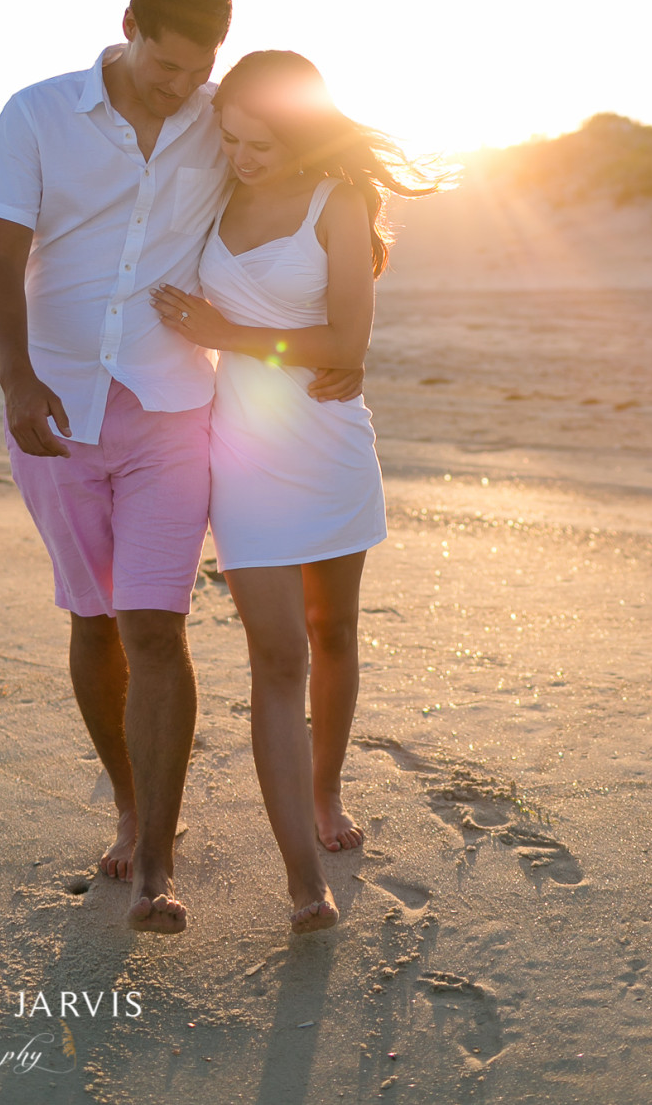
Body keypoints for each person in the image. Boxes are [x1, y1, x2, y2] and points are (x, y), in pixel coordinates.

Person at [0, 0, 361, 934]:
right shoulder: (35, 115)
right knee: (92, 622)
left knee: (156, 627)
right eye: (167, 65)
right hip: (55, 409)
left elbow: (296, 140)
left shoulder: (220, 114)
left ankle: (155, 866)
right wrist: (15, 377)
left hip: (174, 409)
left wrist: (356, 204)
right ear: (129, 24)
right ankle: (129, 797)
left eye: (200, 71)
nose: (181, 88)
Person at [152, 51, 433, 933]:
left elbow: (348, 344)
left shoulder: (336, 204)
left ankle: (326, 788)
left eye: (260, 142)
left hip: (329, 446)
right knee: (276, 660)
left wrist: (229, 331)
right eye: (229, 137)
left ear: (303, 133)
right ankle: (303, 881)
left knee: (332, 630)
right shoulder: (208, 198)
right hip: (242, 457)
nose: (239, 155)